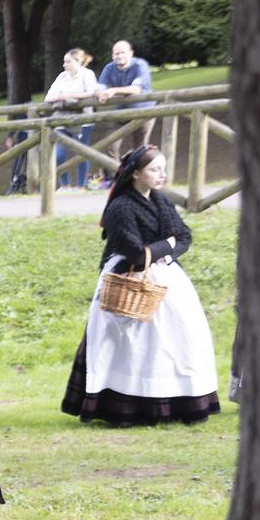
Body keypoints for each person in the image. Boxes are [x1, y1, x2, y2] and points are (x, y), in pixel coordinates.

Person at [61, 144, 220, 425]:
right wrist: (167, 245)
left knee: (179, 338)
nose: (162, 174)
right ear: (136, 173)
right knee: (131, 342)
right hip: (128, 280)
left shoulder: (161, 201)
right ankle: (127, 408)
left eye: (163, 169)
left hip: (167, 279)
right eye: (154, 169)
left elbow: (183, 236)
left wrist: (165, 248)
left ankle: (176, 405)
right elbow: (135, 252)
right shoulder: (120, 208)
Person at [44, 49, 100, 188]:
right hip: (61, 119)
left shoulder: (87, 74)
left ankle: (81, 186)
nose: (64, 65)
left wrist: (69, 95)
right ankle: (65, 185)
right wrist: (61, 98)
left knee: (81, 153)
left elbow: (92, 93)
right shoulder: (62, 76)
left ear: (78, 61)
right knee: (58, 155)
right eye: (64, 61)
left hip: (82, 121)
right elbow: (48, 97)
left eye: (68, 61)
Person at [97, 40, 155, 149]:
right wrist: (100, 93)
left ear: (130, 53)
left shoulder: (140, 65)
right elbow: (100, 86)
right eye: (116, 53)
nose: (119, 56)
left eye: (123, 52)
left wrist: (113, 90)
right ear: (112, 55)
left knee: (139, 149)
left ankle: (137, 165)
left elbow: (136, 89)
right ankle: (113, 166)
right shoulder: (109, 68)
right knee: (111, 144)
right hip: (122, 111)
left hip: (143, 111)